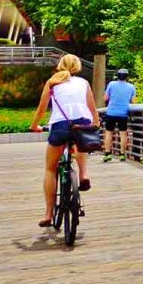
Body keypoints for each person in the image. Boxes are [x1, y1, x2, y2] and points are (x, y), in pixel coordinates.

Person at [29, 54, 99, 227]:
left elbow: (41, 110)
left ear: (60, 65)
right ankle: (83, 174)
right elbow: (92, 107)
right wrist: (96, 122)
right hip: (82, 124)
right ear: (77, 66)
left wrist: (34, 126)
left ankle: (48, 214)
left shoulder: (52, 82)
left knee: (50, 169)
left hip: (60, 126)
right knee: (80, 143)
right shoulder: (83, 83)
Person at [102, 69, 136, 162]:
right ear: (127, 77)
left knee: (109, 133)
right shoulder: (131, 87)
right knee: (123, 134)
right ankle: (122, 154)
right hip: (123, 113)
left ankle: (107, 154)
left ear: (117, 75)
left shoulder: (111, 84)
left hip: (111, 112)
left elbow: (105, 98)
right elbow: (133, 101)